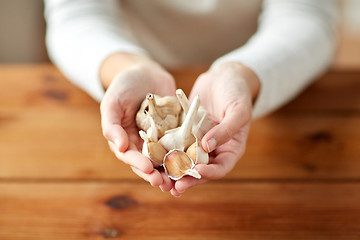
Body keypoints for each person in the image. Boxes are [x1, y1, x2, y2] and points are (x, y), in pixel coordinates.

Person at [44, 0, 338, 196]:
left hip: (268, 70)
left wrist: (243, 74)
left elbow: (308, 16)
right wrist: (125, 67)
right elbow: (76, 15)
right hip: (128, 52)